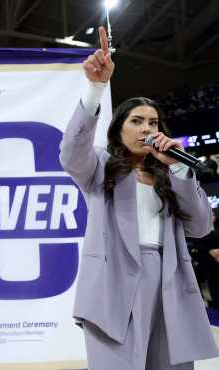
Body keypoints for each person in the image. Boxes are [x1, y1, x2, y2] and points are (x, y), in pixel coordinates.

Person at [60, 26, 218, 370]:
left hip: (169, 281)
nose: (147, 129)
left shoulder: (171, 176)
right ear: (119, 128)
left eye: (153, 122)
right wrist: (95, 87)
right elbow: (71, 152)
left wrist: (178, 169)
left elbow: (202, 226)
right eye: (136, 121)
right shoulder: (100, 166)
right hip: (114, 284)